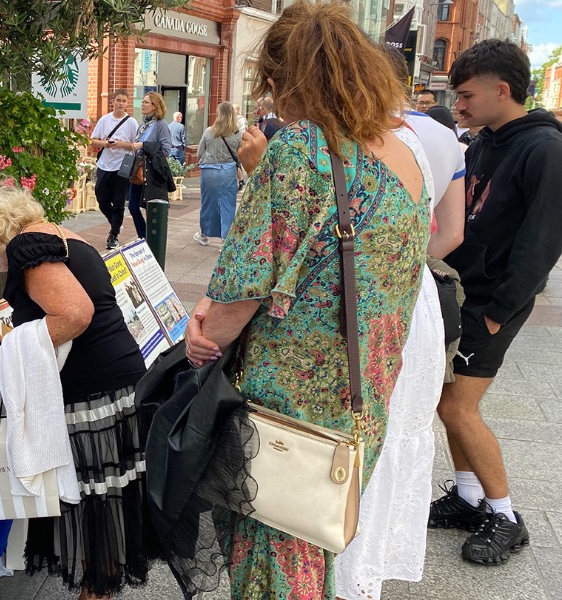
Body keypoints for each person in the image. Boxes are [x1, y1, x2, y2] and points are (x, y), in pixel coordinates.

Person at [179, 3, 428, 597]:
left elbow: (238, 293)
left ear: (290, 79)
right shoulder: (402, 155)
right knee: (311, 546)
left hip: (286, 404)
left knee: (271, 559)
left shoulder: (300, 150)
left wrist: (203, 332)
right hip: (358, 396)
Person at [0, 175, 157, 600]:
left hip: (94, 392)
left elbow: (73, 315)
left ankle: (95, 592)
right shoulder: (55, 232)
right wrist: (6, 355)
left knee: (96, 509)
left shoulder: (26, 249)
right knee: (109, 505)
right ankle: (100, 590)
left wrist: (11, 351)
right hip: (121, 381)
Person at [333, 44, 466, 600]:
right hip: (418, 304)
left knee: (353, 433)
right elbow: (452, 234)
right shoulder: (437, 137)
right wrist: (406, 265)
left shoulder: (347, 136)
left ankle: (341, 564)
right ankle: (374, 565)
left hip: (365, 307)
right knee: (398, 433)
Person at [429, 39, 562, 565]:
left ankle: (506, 515)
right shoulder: (487, 140)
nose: (458, 106)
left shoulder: (545, 149)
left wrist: (496, 310)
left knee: (460, 408)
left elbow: (542, 243)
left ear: (501, 90)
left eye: (465, 96)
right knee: (447, 403)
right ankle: (467, 498)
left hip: (492, 302)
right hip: (464, 293)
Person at [90, 89, 138, 250]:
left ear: (127, 103)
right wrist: (106, 144)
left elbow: (134, 145)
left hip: (122, 165)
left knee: (118, 201)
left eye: (124, 101)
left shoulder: (131, 123)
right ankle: (115, 221)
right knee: (101, 197)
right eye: (118, 100)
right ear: (113, 101)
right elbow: (94, 141)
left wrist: (120, 144)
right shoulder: (105, 120)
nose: (121, 103)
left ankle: (114, 235)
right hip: (105, 164)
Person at [193, 101, 242, 247]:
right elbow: (240, 156)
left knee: (208, 203)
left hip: (210, 171)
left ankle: (204, 234)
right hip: (228, 172)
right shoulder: (237, 134)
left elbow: (199, 153)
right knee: (228, 204)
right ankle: (225, 239)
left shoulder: (209, 131)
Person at [128, 92, 172, 239]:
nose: (142, 104)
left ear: (155, 106)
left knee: (150, 207)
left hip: (151, 172)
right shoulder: (142, 125)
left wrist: (144, 145)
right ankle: (143, 236)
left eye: (146, 102)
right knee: (132, 206)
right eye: (143, 102)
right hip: (138, 170)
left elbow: (166, 149)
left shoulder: (161, 125)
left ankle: (151, 239)